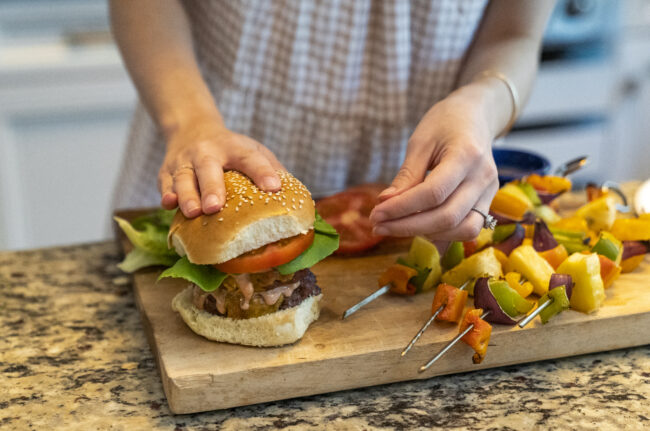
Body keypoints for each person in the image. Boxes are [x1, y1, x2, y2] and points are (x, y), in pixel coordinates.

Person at [110, 0, 555, 241]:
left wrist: (480, 105)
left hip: (414, 184)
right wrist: (190, 122)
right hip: (203, 152)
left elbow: (515, 32)